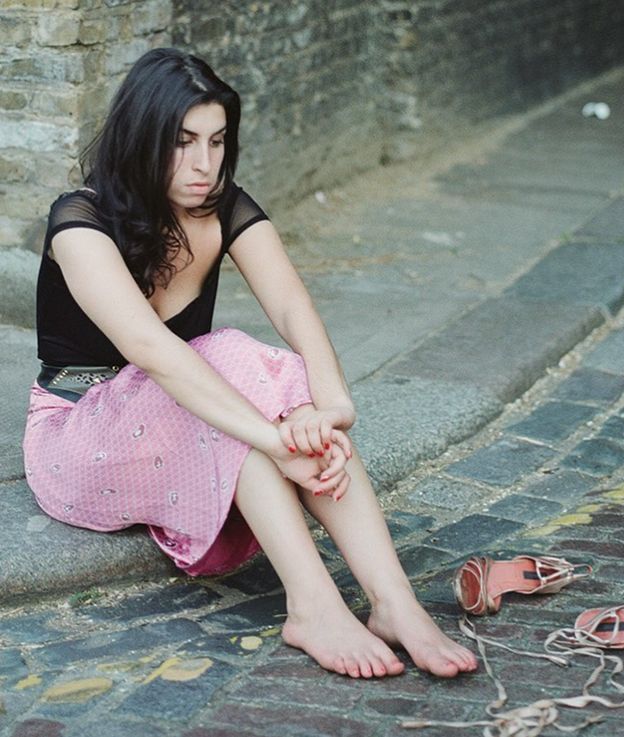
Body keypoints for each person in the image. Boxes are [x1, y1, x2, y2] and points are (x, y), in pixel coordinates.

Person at [22, 48, 477, 680]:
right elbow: (152, 352)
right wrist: (276, 437)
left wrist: (333, 407)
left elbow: (292, 305)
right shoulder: (79, 221)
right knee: (230, 363)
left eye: (217, 140)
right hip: (77, 433)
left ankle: (394, 602)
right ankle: (313, 606)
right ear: (141, 137)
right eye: (182, 142)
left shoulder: (222, 207)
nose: (204, 164)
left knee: (259, 400)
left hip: (186, 414)